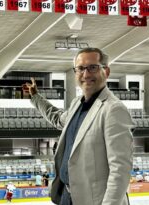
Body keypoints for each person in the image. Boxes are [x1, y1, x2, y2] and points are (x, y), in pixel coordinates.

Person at [26, 48, 134, 205]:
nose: (86, 74)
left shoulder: (114, 109)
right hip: (67, 197)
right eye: (80, 68)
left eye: (93, 67)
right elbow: (57, 118)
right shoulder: (77, 103)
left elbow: (120, 169)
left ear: (107, 71)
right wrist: (35, 97)